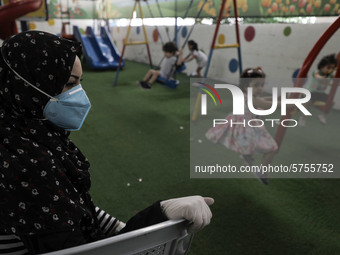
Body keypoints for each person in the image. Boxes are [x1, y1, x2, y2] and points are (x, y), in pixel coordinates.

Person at [0, 31, 213, 254]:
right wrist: (156, 217)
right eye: (70, 84)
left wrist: (123, 229)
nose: (80, 96)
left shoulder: (27, 135)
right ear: (27, 85)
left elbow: (73, 209)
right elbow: (78, 249)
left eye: (80, 83)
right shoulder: (26, 165)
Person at [205, 68, 279, 185]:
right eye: (256, 85)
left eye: (262, 85)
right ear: (246, 87)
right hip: (247, 128)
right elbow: (270, 104)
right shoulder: (251, 99)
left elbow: (264, 100)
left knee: (251, 146)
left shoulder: (247, 96)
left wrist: (282, 97)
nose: (260, 88)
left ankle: (246, 156)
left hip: (244, 127)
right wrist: (294, 103)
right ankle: (261, 170)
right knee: (273, 148)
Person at [299, 54, 337, 126]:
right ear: (322, 66)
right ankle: (303, 117)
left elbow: (336, 82)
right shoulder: (317, 72)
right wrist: (327, 80)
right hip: (310, 92)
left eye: (332, 68)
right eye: (328, 67)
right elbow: (318, 77)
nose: (330, 70)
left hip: (320, 93)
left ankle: (322, 115)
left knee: (331, 102)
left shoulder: (330, 75)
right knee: (308, 102)